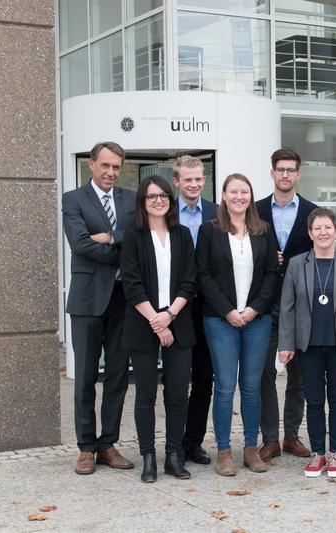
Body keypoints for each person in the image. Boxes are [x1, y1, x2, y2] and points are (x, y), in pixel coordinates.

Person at [196, 173, 280, 476]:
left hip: (257, 320)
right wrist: (229, 310)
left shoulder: (264, 231)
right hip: (220, 320)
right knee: (225, 385)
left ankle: (250, 448)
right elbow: (203, 274)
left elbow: (272, 273)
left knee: (252, 386)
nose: (239, 197)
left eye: (245, 192)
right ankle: (224, 451)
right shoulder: (210, 231)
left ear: (250, 196)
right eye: (234, 192)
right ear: (223, 195)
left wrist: (254, 309)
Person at [62, 141, 136, 475]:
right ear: (91, 164)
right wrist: (118, 247)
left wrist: (109, 237)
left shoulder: (130, 200)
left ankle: (108, 444)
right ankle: (86, 448)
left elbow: (137, 239)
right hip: (88, 300)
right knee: (86, 378)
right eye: (105, 165)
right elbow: (80, 244)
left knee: (118, 376)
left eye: (116, 167)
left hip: (123, 301)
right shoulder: (73, 199)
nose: (110, 173)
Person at [278, 208, 336, 478]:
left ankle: (335, 455)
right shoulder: (297, 264)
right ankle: (318, 453)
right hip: (309, 345)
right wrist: (286, 343)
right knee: (314, 400)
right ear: (310, 233)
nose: (323, 233)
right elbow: (287, 307)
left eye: (328, 227)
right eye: (317, 228)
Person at [120, 176, 196, 482]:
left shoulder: (183, 235)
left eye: (163, 195)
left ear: (170, 199)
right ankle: (148, 457)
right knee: (146, 395)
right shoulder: (133, 235)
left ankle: (173, 456)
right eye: (152, 196)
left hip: (178, 320)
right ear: (143, 200)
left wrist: (169, 316)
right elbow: (131, 283)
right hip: (142, 323)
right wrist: (156, 320)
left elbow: (189, 281)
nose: (158, 200)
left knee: (178, 393)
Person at [256, 148, 318, 462]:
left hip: (301, 304)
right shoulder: (254, 211)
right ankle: (270, 439)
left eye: (290, 170)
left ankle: (292, 435)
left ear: (298, 174)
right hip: (264, 304)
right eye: (280, 169)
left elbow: (320, 254)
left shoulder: (312, 211)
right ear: (272, 173)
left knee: (300, 374)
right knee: (265, 371)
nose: (285, 175)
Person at [172, 155, 218, 466]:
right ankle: (172, 444)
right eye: (187, 179)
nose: (194, 184)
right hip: (172, 305)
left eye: (198, 178)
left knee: (204, 377)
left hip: (206, 306)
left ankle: (193, 442)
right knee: (175, 380)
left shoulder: (217, 212)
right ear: (176, 181)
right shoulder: (163, 210)